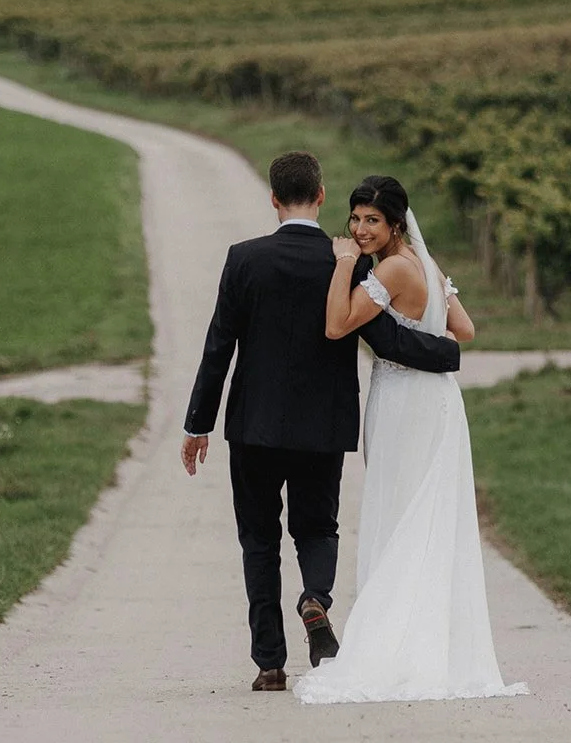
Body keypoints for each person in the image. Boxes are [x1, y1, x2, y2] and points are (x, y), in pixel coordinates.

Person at [181, 151, 460, 693]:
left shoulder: (243, 258)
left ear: (273, 198)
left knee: (259, 541)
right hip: (322, 426)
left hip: (253, 427)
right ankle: (316, 599)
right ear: (323, 196)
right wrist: (447, 356)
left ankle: (269, 662)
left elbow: (219, 347)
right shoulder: (349, 262)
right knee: (318, 528)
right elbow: (387, 339)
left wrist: (198, 425)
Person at [293, 173, 529, 705]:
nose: (360, 229)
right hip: (438, 402)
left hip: (403, 403)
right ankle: (430, 640)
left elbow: (337, 325)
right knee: (423, 515)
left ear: (396, 223)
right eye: (354, 219)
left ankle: (393, 644)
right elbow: (462, 330)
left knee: (397, 513)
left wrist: (342, 264)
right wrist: (425, 330)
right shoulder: (425, 263)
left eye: (371, 220)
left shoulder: (394, 268)